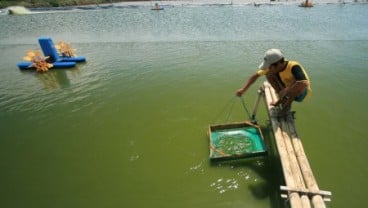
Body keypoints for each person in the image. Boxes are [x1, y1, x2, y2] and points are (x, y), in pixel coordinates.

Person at [236, 49, 311, 115]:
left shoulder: (293, 66)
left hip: (300, 93)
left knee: (298, 82)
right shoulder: (273, 66)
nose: (269, 68)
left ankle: (287, 105)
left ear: (279, 63)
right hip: (286, 89)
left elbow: (304, 83)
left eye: (270, 67)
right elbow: (255, 76)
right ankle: (282, 99)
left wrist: (287, 90)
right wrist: (243, 89)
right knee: (269, 74)